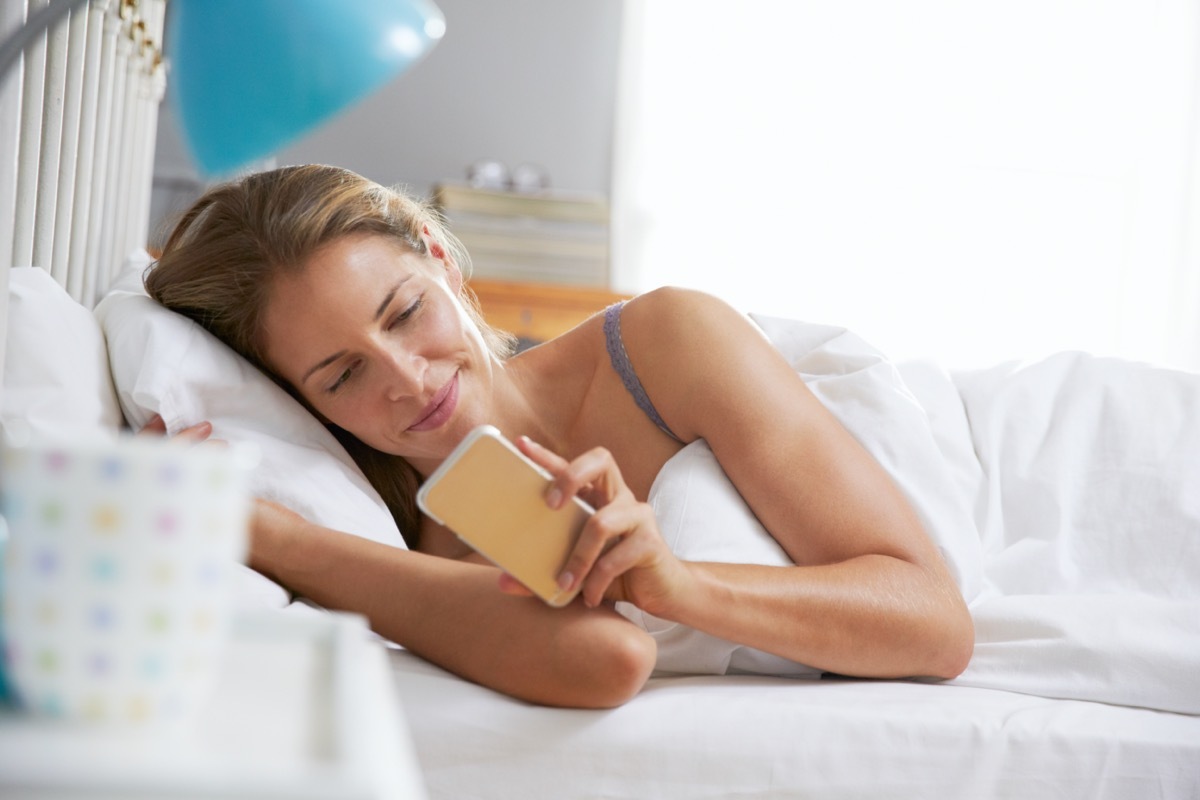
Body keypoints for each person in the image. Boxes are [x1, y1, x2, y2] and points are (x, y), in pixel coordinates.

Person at [145, 164, 974, 709]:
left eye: (405, 312)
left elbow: (936, 624)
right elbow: (608, 660)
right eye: (340, 376)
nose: (409, 378)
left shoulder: (665, 343)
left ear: (438, 256)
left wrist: (679, 584)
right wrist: (271, 536)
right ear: (299, 403)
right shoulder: (420, 550)